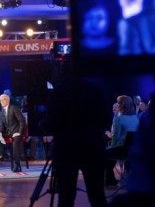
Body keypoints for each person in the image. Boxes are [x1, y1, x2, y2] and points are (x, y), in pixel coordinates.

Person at [46, 58, 109, 207]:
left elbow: (51, 123)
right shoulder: (96, 90)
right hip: (93, 147)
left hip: (66, 149)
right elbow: (106, 120)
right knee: (97, 196)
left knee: (66, 197)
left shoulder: (58, 92)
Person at [0, 93, 25, 172]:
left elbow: (22, 121)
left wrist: (19, 132)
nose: (2, 101)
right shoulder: (2, 111)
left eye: (4, 99)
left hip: (16, 132)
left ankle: (17, 165)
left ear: (8, 100)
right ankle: (4, 154)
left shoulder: (14, 108)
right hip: (8, 133)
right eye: (1, 100)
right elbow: (2, 126)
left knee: (15, 144)